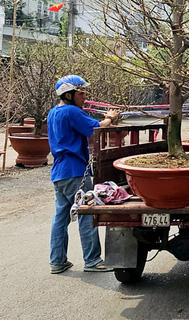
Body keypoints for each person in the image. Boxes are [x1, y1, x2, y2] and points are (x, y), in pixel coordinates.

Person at [48, 75, 120, 274]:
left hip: (59, 172)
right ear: (69, 95)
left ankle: (57, 261)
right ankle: (92, 260)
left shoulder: (54, 112)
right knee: (87, 214)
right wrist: (110, 118)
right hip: (75, 171)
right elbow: (95, 127)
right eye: (81, 93)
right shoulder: (72, 111)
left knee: (60, 217)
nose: (85, 97)